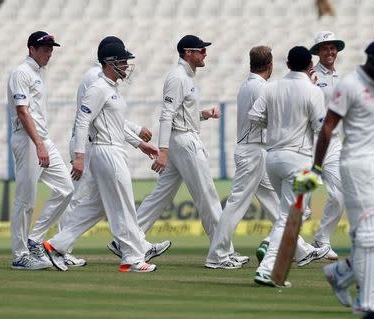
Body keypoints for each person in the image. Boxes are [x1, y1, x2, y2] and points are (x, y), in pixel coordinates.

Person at [294, 39, 374, 318]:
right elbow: (327, 127)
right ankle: (368, 301)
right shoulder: (349, 85)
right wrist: (316, 169)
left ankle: (341, 273)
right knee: (370, 235)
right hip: (357, 164)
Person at [105, 35, 247, 266]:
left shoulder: (187, 77)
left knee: (161, 195)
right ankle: (222, 254)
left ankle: (126, 240)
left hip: (182, 138)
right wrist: (163, 151)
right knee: (207, 196)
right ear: (187, 53)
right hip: (183, 141)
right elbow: (166, 115)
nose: (205, 54)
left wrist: (204, 114)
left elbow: (184, 112)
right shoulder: (177, 77)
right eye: (200, 50)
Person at [42, 40, 169, 273]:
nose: (126, 65)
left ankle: (56, 245)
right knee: (124, 205)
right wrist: (79, 156)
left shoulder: (112, 89)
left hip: (114, 149)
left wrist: (140, 144)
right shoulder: (98, 88)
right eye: (122, 61)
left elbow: (117, 125)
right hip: (105, 151)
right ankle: (131, 259)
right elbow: (82, 122)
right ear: (109, 63)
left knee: (96, 206)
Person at [248, 46, 329, 286]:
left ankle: (275, 269)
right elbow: (321, 129)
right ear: (310, 65)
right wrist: (318, 166)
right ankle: (266, 268)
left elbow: (254, 116)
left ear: (287, 64)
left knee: (293, 215)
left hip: (272, 159)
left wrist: (275, 125)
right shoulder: (312, 91)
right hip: (298, 160)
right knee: (288, 216)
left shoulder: (272, 87)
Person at [205, 46, 280, 269]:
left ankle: (300, 249)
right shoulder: (261, 88)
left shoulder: (247, 85)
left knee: (274, 204)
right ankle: (217, 255)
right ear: (270, 65)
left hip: (253, 151)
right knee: (236, 204)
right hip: (253, 151)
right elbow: (267, 119)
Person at [7, 31, 74, 270]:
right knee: (25, 200)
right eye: (45, 49)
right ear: (31, 49)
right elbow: (22, 112)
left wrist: (42, 142)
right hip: (28, 141)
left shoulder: (36, 74)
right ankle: (20, 255)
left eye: (51, 49)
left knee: (66, 188)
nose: (49, 53)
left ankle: (34, 239)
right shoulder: (21, 73)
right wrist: (38, 144)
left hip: (41, 140)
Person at [309, 31, 346, 261]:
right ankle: (285, 243)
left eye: (333, 48)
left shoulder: (340, 78)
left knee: (340, 194)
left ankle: (321, 240)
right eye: (325, 48)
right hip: (310, 142)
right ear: (318, 52)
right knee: (299, 199)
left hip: (333, 144)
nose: (330, 52)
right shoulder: (310, 74)